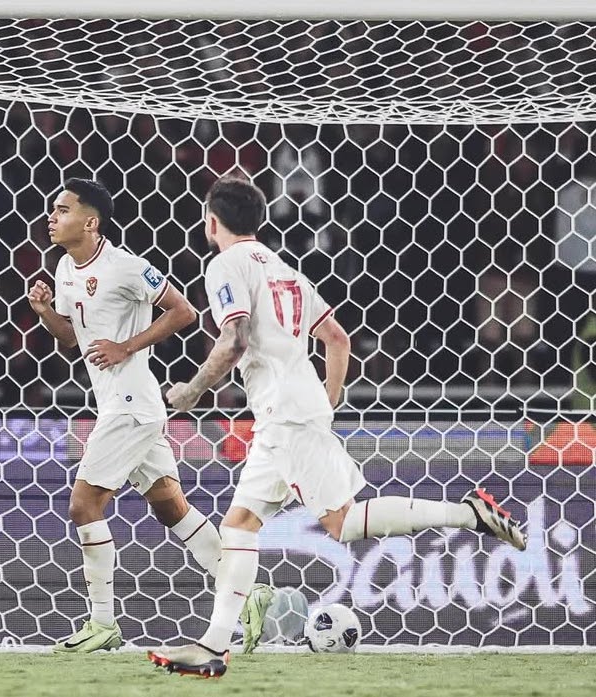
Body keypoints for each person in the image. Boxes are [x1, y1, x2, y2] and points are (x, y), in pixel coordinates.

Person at [148, 172, 526, 678]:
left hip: (284, 414)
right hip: (286, 414)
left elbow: (234, 339)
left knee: (340, 523)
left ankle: (468, 514)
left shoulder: (224, 264)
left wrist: (191, 391)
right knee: (238, 526)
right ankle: (213, 647)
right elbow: (338, 338)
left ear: (211, 220)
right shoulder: (285, 268)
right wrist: (324, 401)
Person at [27, 178, 222, 653]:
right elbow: (72, 338)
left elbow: (185, 311)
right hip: (123, 406)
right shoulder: (64, 268)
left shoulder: (127, 268)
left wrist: (127, 347)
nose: (52, 218)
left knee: (82, 505)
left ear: (90, 222)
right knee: (170, 506)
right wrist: (44, 311)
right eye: (53, 210)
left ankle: (103, 623)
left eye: (62, 210)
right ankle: (249, 590)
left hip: (131, 406)